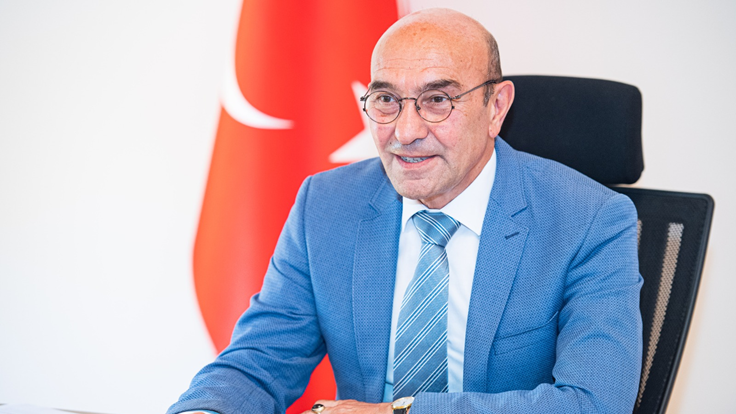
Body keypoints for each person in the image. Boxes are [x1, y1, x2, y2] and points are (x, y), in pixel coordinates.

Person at [168, 8, 642, 414]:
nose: (406, 131)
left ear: (496, 107)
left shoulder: (589, 221)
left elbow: (594, 403)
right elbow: (259, 362)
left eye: (437, 100)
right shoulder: (327, 205)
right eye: (386, 100)